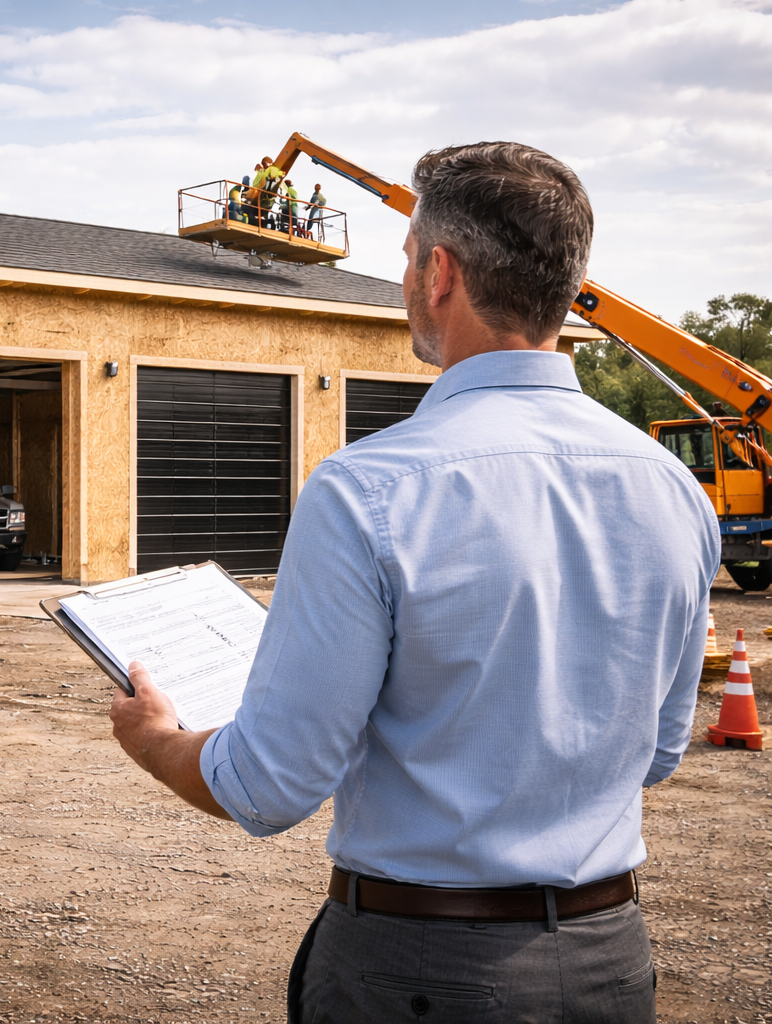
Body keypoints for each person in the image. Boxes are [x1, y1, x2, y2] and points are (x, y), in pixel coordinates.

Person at [108, 141, 716, 1022]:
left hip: (420, 970)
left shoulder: (370, 489)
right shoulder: (670, 488)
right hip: (612, 963)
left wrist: (156, 737)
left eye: (402, 261)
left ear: (440, 273)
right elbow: (658, 753)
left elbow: (267, 785)